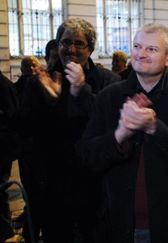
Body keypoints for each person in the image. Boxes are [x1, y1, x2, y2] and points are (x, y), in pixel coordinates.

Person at [78, 23, 168, 243]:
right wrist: (119, 134)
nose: (141, 54)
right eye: (137, 46)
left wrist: (155, 128)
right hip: (119, 223)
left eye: (151, 49)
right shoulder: (109, 97)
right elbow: (87, 157)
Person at [18, 18, 120, 243]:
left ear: (91, 49)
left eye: (79, 43)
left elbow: (111, 125)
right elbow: (26, 133)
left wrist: (80, 91)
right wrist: (47, 104)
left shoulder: (108, 82)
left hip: (95, 189)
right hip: (54, 190)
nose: (71, 49)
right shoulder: (39, 82)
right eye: (65, 42)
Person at [0, 71, 19, 243]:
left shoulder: (4, 85)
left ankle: (5, 230)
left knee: (0, 189)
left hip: (2, 148)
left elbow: (13, 117)